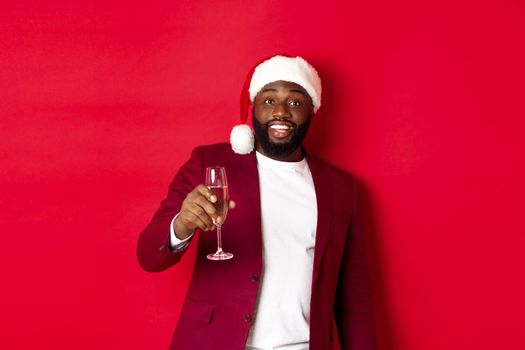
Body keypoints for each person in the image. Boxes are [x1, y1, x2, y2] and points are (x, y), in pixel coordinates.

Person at [137, 55, 376, 350]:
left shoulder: (341, 187)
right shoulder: (210, 163)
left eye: (295, 102)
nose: (281, 112)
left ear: (311, 111)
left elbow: (354, 295)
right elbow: (149, 256)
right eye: (269, 100)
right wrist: (182, 224)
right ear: (254, 107)